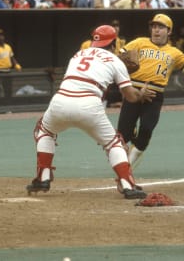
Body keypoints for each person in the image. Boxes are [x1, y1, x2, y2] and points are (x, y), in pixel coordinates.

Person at [25, 25, 156, 199]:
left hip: (60, 101)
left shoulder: (78, 54)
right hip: (89, 105)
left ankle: (43, 177)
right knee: (113, 143)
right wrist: (141, 93)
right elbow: (130, 97)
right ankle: (127, 185)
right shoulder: (116, 61)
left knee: (44, 131)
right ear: (114, 42)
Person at [118, 14, 184, 168]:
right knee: (123, 134)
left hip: (154, 96)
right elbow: (117, 59)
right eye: (154, 26)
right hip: (133, 91)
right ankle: (128, 147)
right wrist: (124, 66)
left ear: (169, 31)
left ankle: (127, 166)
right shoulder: (139, 43)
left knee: (146, 129)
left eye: (161, 27)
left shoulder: (174, 53)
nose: (156, 30)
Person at [0, 28, 22, 104]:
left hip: (8, 71)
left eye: (1, 35)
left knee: (8, 90)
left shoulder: (8, 47)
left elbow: (12, 57)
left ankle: (8, 107)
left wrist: (16, 64)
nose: (0, 37)